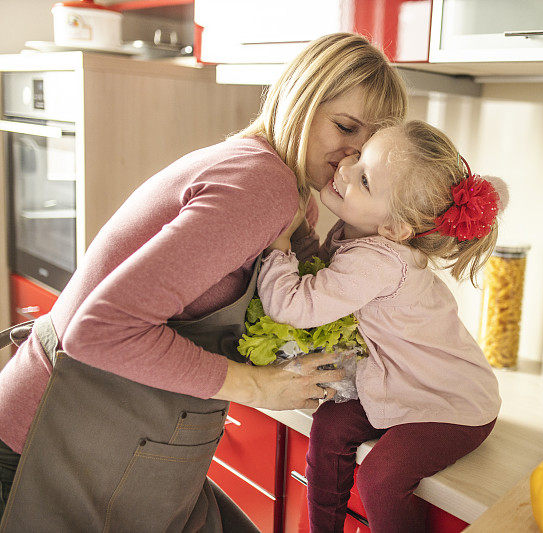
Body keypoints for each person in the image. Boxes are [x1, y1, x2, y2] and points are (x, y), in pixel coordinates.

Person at [0, 32, 407, 531]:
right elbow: (101, 329)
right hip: (45, 453)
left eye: (367, 150)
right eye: (345, 127)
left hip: (115, 447)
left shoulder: (278, 184)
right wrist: (260, 387)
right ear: (300, 97)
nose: (349, 158)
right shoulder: (261, 185)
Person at [257, 120, 505, 532]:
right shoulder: (361, 232)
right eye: (359, 155)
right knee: (330, 425)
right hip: (403, 382)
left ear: (394, 229)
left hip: (454, 406)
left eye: (365, 179)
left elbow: (294, 305)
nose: (346, 167)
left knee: (381, 477)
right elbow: (327, 283)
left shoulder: (378, 260)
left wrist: (278, 245)